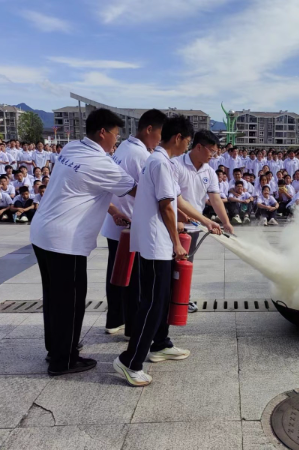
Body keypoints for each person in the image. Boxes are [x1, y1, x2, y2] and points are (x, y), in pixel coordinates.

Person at [30, 108, 136, 377]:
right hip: (66, 240)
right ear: (102, 132)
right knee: (71, 301)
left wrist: (112, 210)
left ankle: (56, 349)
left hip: (42, 233)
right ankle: (64, 360)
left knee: (54, 297)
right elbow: (140, 190)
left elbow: (80, 187)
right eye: (115, 135)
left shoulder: (72, 148)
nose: (116, 141)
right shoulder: (101, 163)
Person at [114, 115, 218, 387]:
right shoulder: (160, 163)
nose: (188, 146)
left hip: (156, 242)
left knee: (156, 303)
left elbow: (178, 199)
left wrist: (206, 220)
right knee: (152, 304)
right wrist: (175, 243)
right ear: (178, 138)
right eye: (187, 141)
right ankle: (130, 361)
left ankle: (148, 350)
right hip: (155, 244)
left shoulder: (162, 162)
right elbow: (167, 207)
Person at [100, 109, 167, 337]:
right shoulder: (142, 156)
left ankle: (114, 319)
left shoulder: (125, 148)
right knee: (133, 280)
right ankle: (133, 327)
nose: (161, 141)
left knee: (116, 275)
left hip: (116, 222)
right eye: (160, 134)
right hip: (129, 225)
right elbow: (151, 193)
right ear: (149, 130)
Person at [172, 129, 233, 312]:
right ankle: (169, 299)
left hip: (195, 226)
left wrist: (226, 222)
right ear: (199, 147)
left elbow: (215, 199)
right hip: (174, 224)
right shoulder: (175, 165)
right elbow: (171, 198)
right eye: (212, 151)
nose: (214, 156)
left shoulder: (209, 172)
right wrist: (179, 218)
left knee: (186, 263)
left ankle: (183, 297)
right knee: (170, 264)